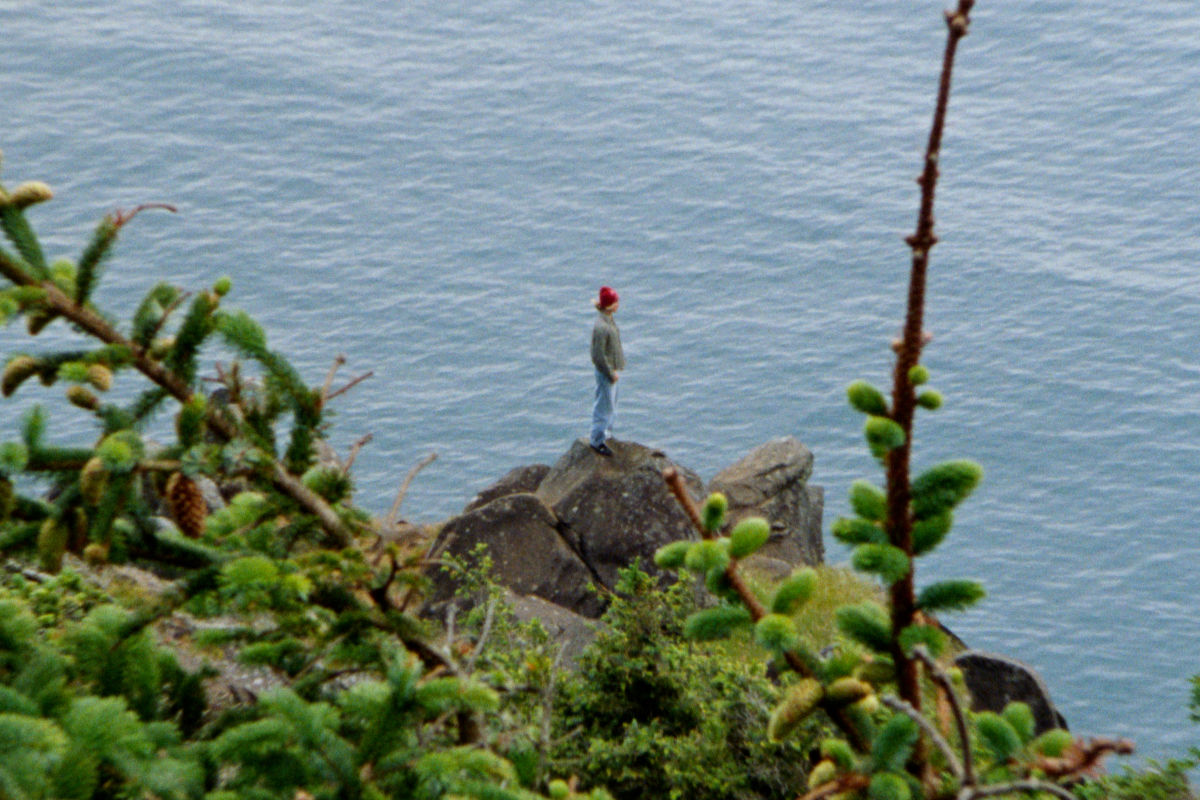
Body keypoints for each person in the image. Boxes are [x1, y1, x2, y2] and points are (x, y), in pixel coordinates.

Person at [589, 285, 624, 456]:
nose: (618, 304)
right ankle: (597, 441)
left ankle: (606, 434)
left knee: (610, 405)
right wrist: (611, 373)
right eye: (615, 301)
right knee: (603, 407)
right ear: (609, 305)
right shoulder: (602, 326)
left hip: (612, 371)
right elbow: (598, 355)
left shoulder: (607, 319)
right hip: (606, 373)